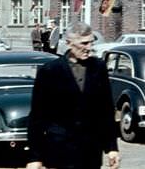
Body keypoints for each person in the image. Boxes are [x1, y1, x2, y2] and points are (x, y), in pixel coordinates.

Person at [26, 21, 119, 169]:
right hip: (60, 152)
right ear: (69, 43)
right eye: (84, 43)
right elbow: (37, 117)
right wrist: (34, 157)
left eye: (91, 42)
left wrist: (111, 148)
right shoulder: (50, 71)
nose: (89, 48)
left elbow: (106, 110)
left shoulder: (98, 67)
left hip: (90, 153)